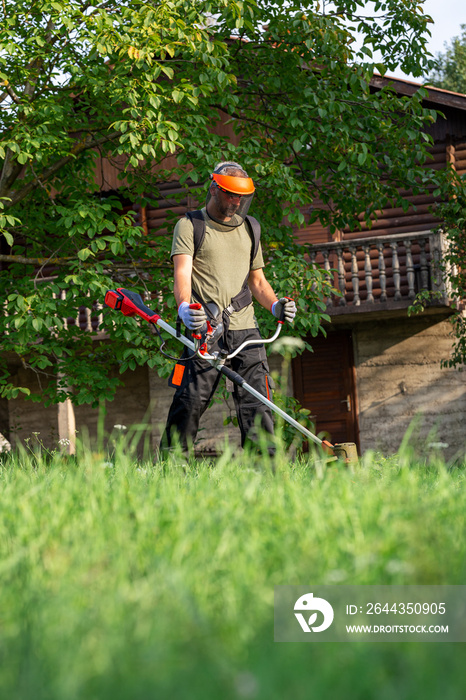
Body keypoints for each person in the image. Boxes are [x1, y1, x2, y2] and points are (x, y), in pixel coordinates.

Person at [161, 161, 297, 454]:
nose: (236, 202)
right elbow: (182, 274)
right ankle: (172, 466)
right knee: (190, 402)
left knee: (257, 402)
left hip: (246, 329)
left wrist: (275, 306)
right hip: (204, 328)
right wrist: (185, 307)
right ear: (214, 189)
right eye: (230, 195)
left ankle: (265, 472)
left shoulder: (251, 228)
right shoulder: (190, 225)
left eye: (241, 197)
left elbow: (258, 282)